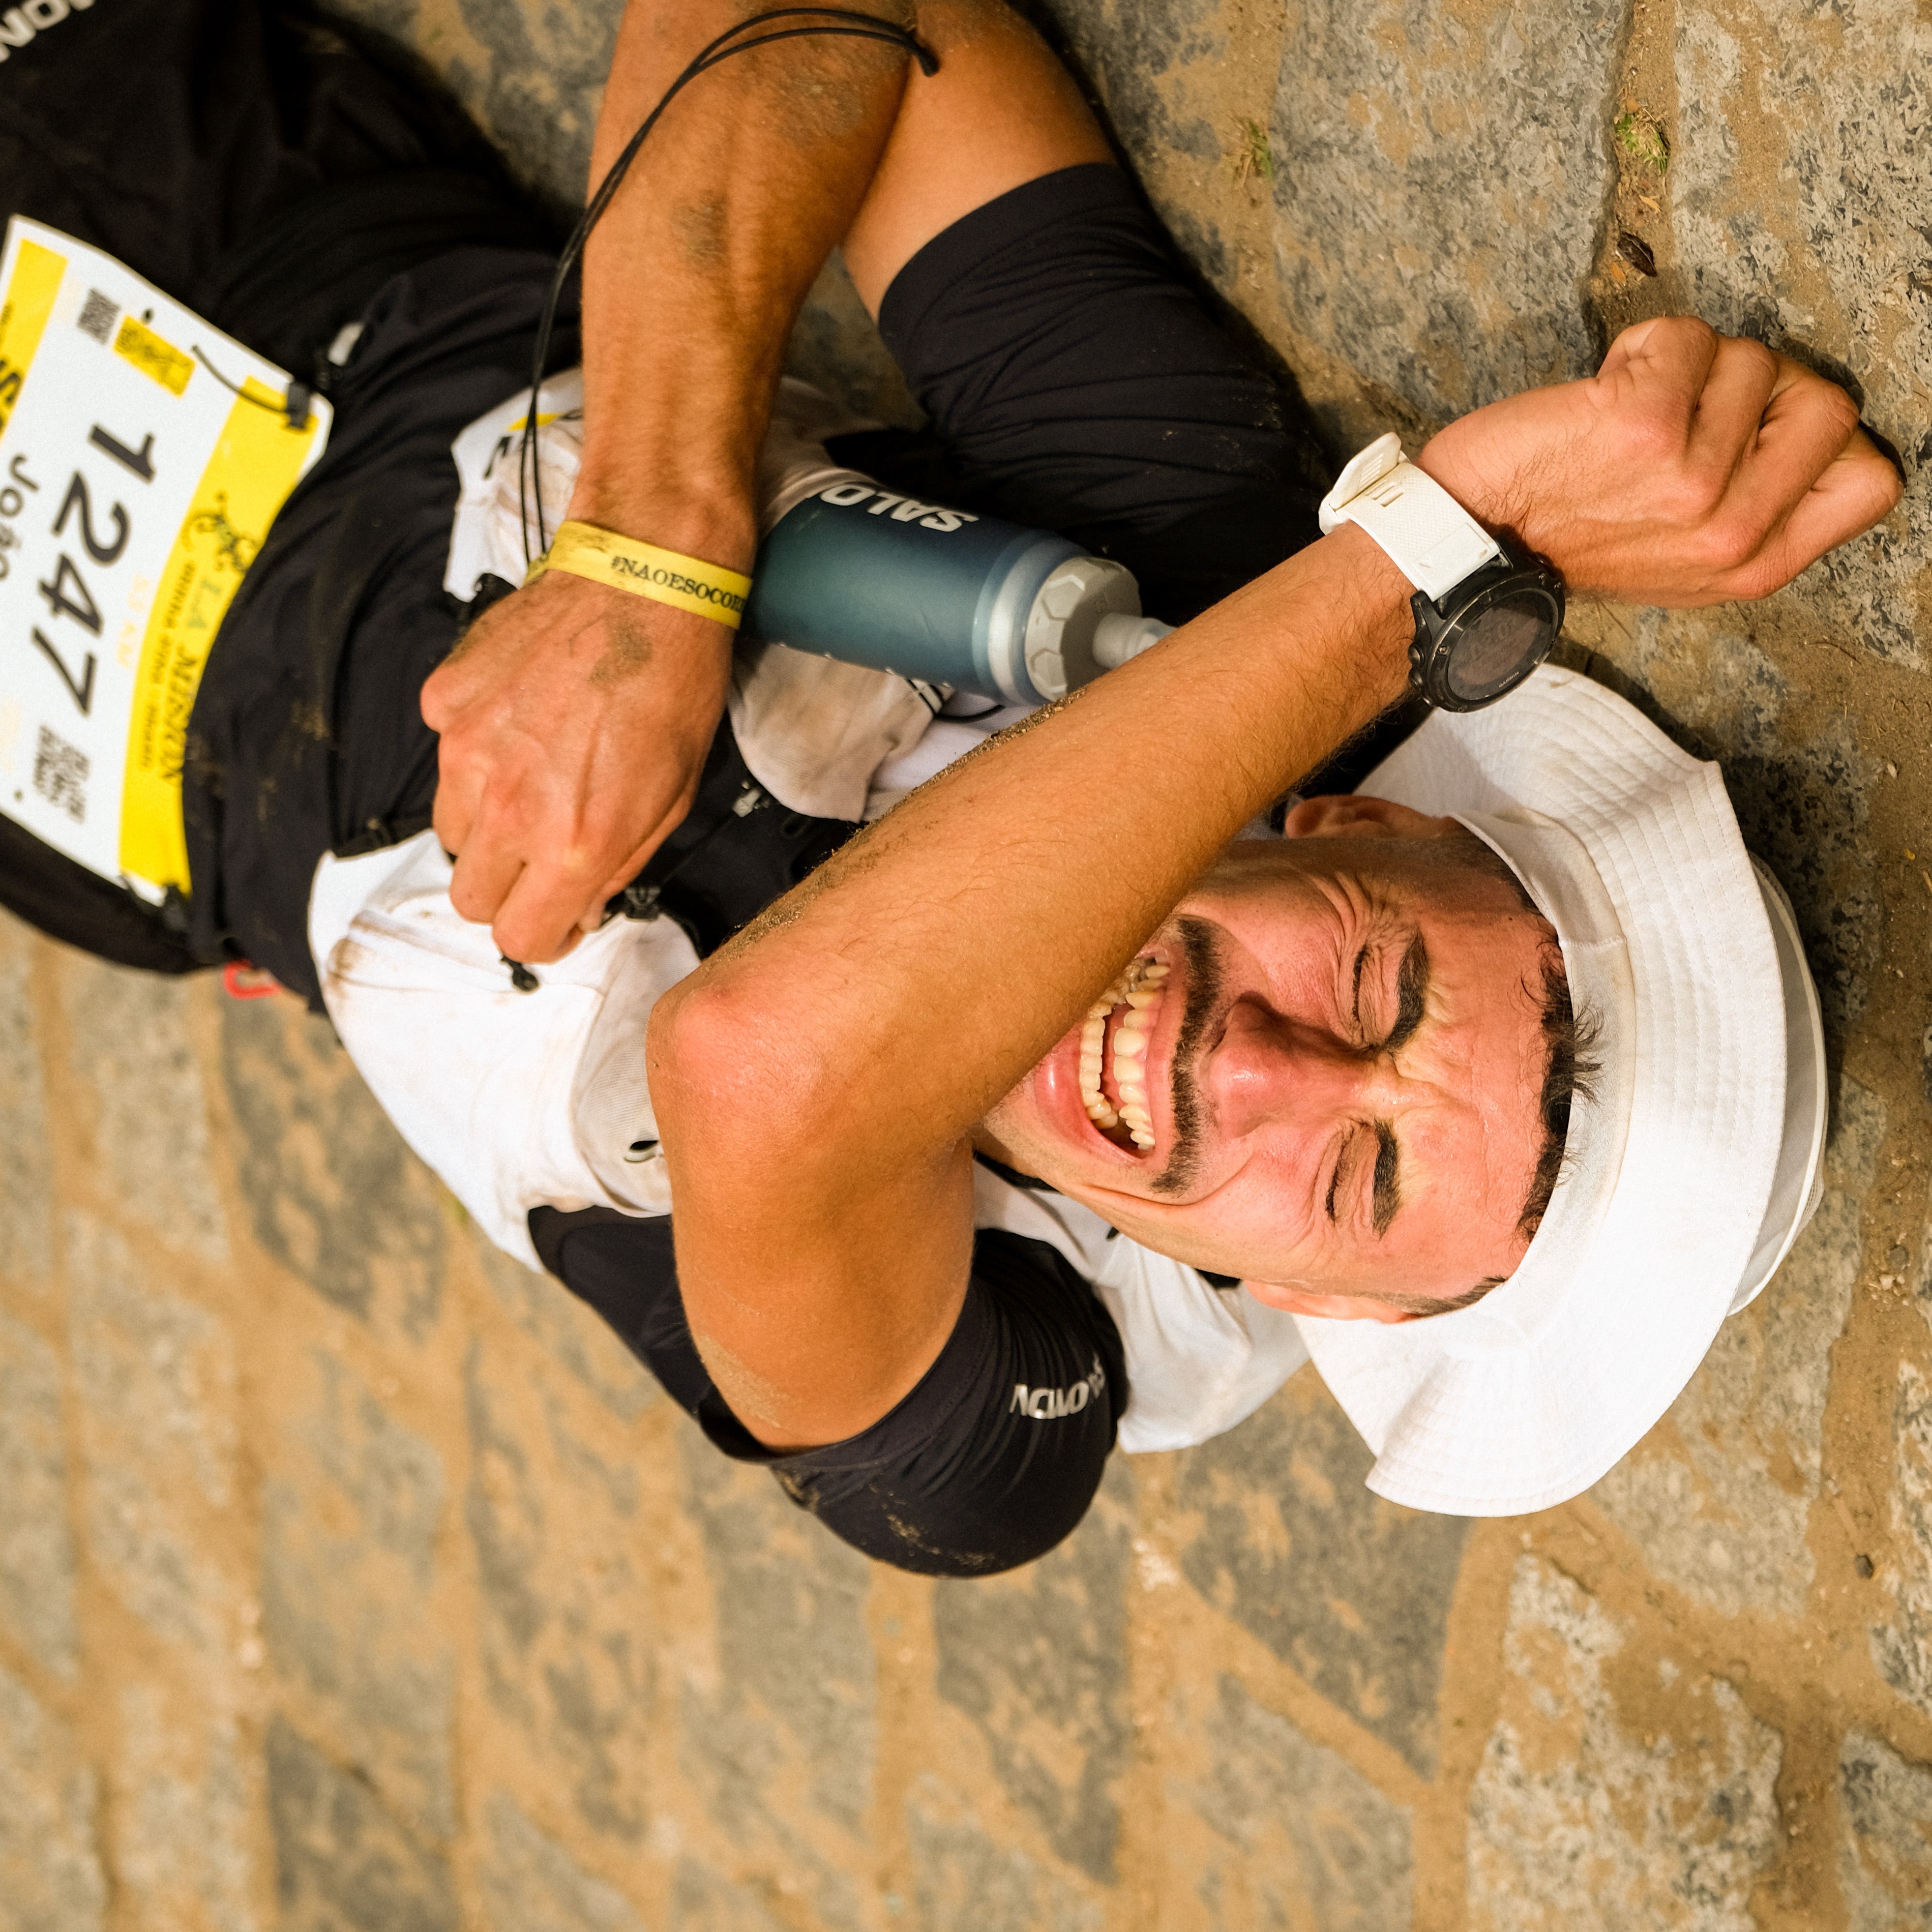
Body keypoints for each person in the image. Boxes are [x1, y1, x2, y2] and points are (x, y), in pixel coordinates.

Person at [0, 0, 1899, 1570]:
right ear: (1360, 818)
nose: (1237, 1069)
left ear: (1335, 1313)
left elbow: (764, 1069)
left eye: (1356, 1176)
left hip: (86, 779)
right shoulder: (1185, 578)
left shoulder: (1011, 1413)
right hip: (195, 228)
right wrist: (646, 535)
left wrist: (1437, 556)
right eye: (1372, 984)